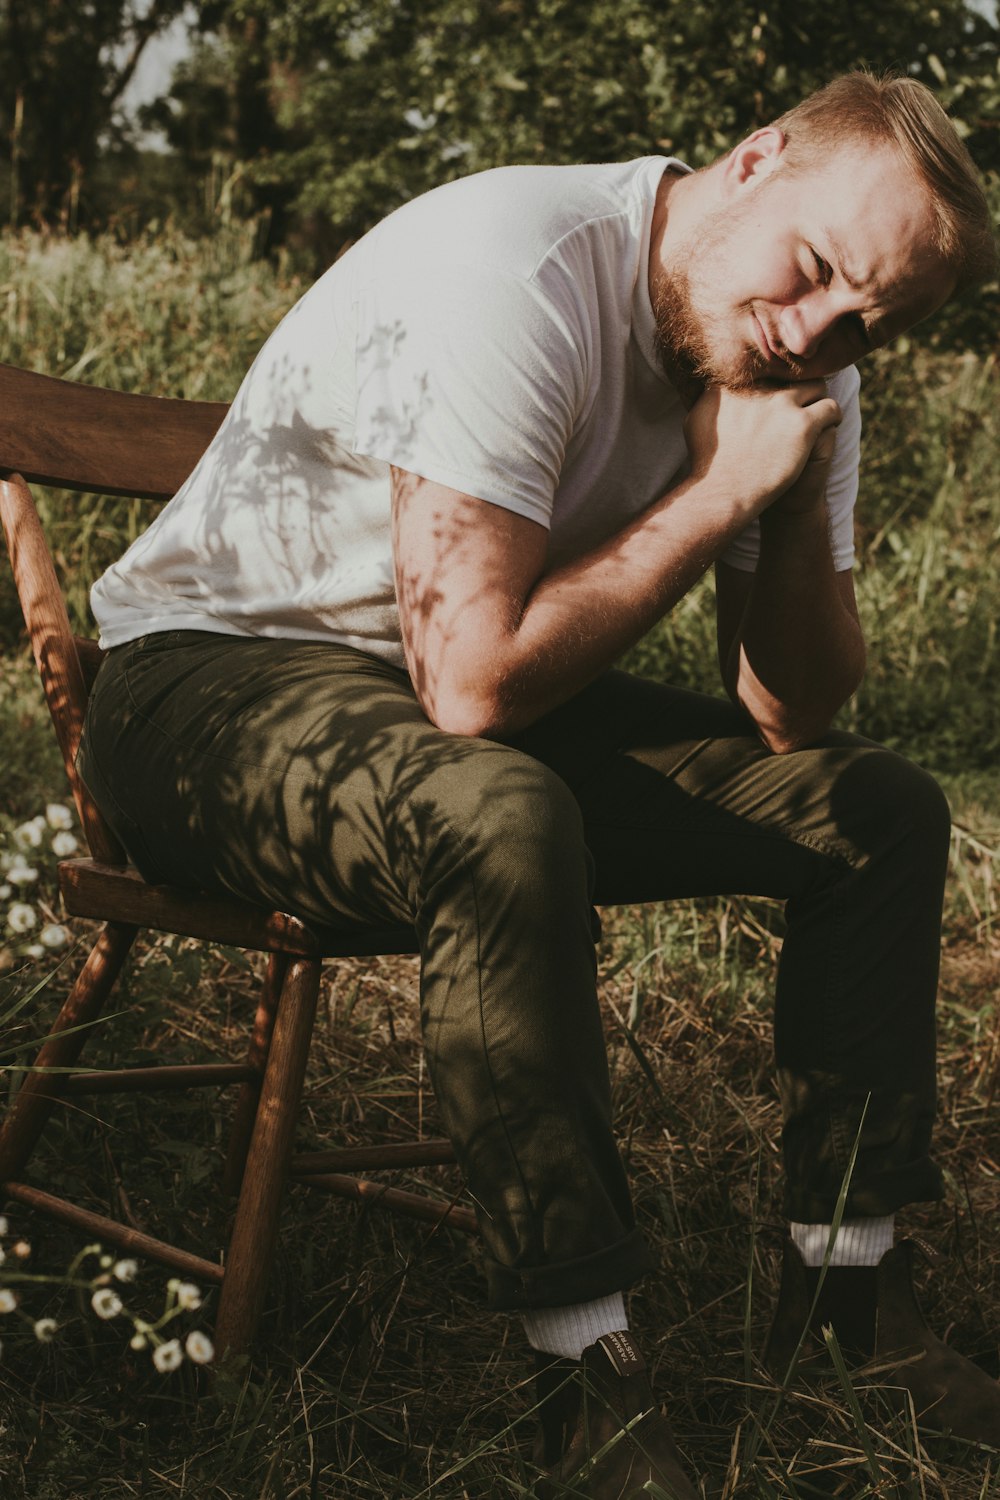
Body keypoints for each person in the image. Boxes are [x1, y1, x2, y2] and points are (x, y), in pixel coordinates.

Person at [78, 71, 998, 1496]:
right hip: (204, 690)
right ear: (753, 163)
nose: (818, 329)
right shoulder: (516, 270)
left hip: (437, 700)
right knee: (500, 807)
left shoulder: (802, 358)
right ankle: (589, 1374)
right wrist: (709, 500)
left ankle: (848, 1294)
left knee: (875, 809)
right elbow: (473, 691)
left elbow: (793, 706)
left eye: (870, 321)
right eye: (816, 272)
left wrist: (786, 484)